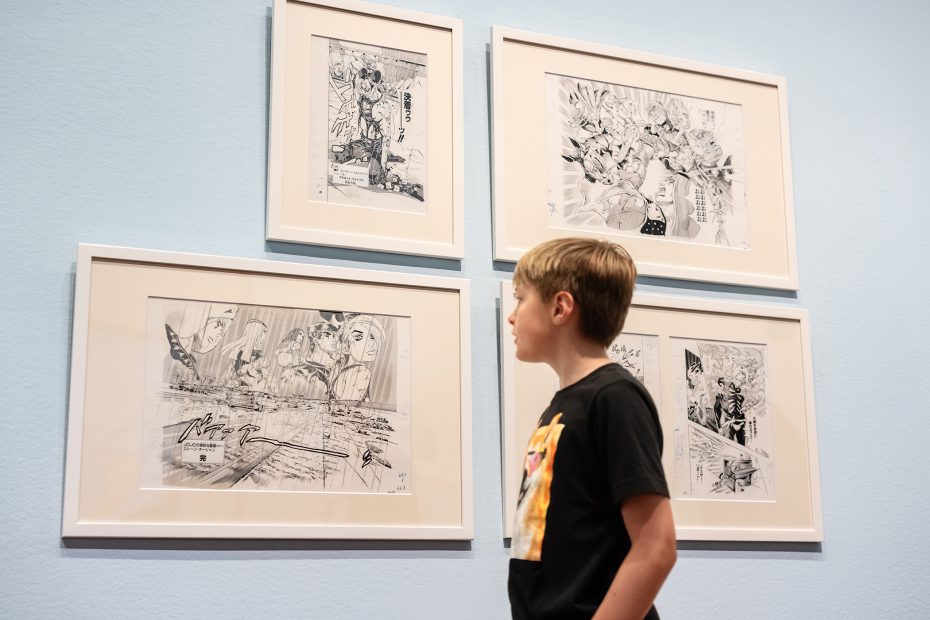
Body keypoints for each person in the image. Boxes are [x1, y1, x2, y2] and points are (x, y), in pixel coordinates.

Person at [507, 237, 676, 619]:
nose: (512, 316)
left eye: (520, 298)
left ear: (560, 307)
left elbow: (656, 547)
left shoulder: (615, 398)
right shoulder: (560, 407)